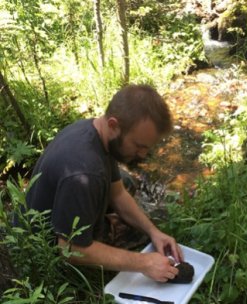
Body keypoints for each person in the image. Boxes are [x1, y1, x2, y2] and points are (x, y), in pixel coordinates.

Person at [26, 84, 183, 282]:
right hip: (45, 248)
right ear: (113, 125)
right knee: (138, 237)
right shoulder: (86, 173)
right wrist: (143, 263)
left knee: (127, 185)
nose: (143, 155)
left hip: (58, 215)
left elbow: (117, 193)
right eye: (138, 146)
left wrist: (154, 232)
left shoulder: (93, 130)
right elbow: (70, 249)